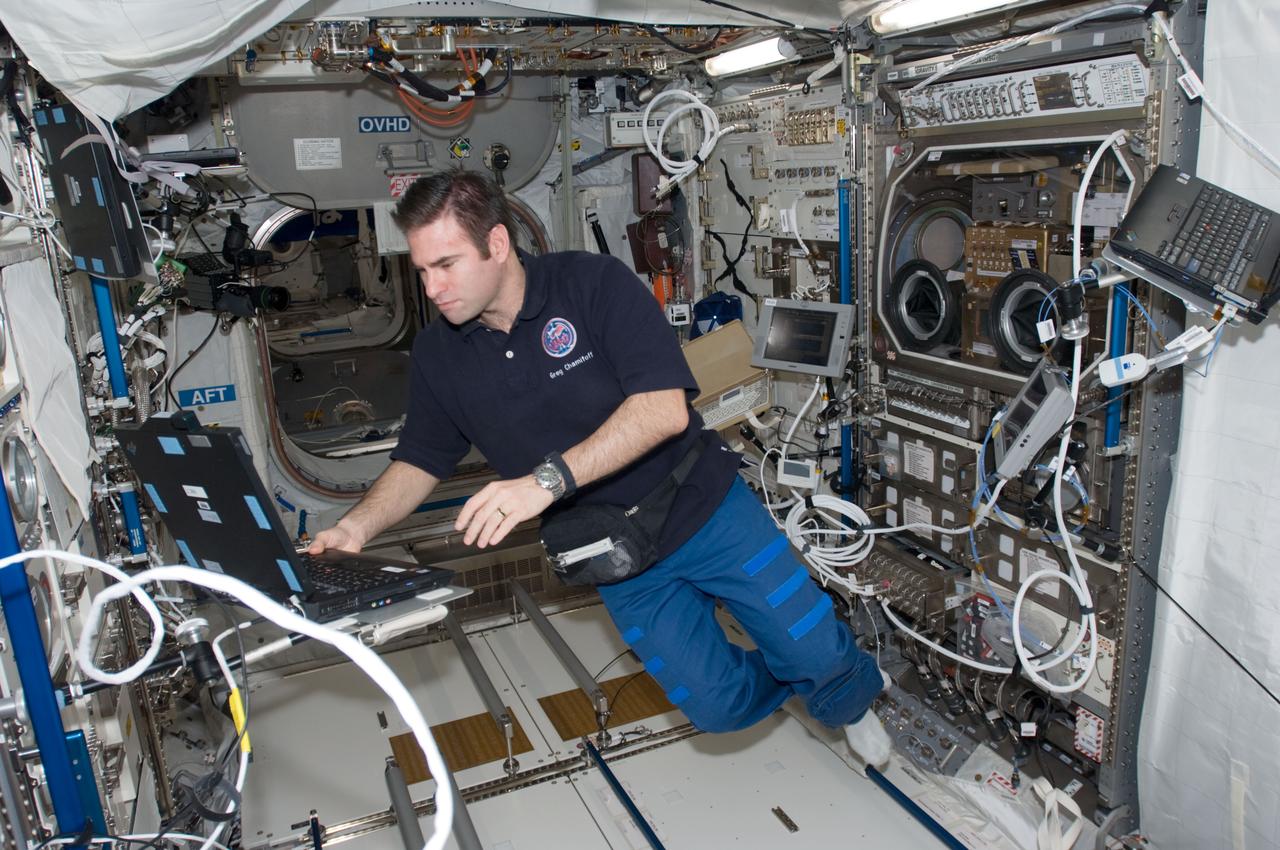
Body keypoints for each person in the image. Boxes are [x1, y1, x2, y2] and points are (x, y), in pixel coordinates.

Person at [308, 169, 891, 768]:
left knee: (817, 651)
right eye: (422, 270)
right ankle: (796, 685)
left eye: (447, 265)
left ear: (499, 244)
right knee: (717, 708)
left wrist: (546, 482)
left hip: (703, 506)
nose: (432, 288)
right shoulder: (438, 354)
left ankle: (845, 699)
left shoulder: (591, 284)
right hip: (613, 553)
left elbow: (663, 411)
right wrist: (357, 528)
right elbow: (419, 460)